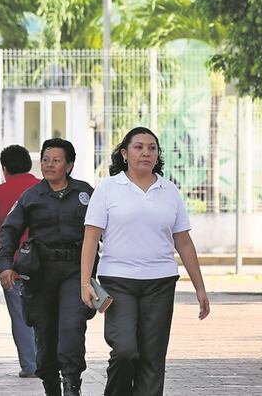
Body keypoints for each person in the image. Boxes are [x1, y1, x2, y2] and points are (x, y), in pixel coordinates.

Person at [80, 127, 210, 396]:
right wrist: (85, 283)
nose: (146, 153)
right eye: (138, 147)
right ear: (125, 154)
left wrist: (200, 287)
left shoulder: (169, 191)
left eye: (152, 148)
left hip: (160, 282)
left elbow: (183, 242)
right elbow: (91, 239)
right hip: (118, 281)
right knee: (125, 351)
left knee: (152, 358)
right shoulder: (107, 189)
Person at [0, 138, 95, 396]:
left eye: (56, 160)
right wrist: (6, 265)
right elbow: (9, 231)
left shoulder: (86, 194)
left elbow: (107, 231)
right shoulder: (30, 196)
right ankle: (51, 386)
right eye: (45, 160)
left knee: (72, 328)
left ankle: (72, 385)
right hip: (41, 274)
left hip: (75, 272)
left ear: (69, 165)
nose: (49, 165)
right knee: (45, 334)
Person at [0, 144, 40, 379]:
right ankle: (48, 361)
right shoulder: (43, 187)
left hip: (13, 267)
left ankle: (30, 365)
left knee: (20, 317)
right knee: (47, 315)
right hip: (45, 265)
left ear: (4, 168)